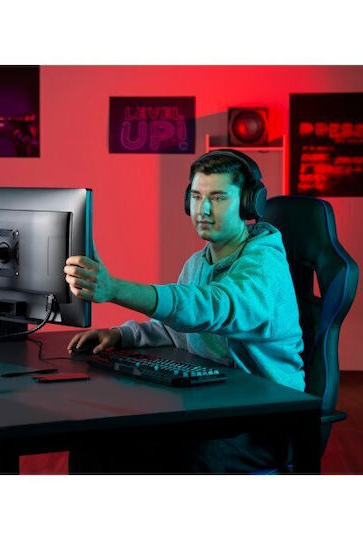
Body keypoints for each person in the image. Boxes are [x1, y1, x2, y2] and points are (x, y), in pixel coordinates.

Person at [63, 150, 305, 473]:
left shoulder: (264, 265)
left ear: (249, 204)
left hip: (266, 423)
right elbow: (175, 328)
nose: (203, 209)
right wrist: (121, 335)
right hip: (217, 408)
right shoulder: (197, 264)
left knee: (169, 456)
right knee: (96, 442)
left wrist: (116, 289)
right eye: (197, 196)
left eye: (217, 198)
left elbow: (214, 306)